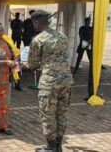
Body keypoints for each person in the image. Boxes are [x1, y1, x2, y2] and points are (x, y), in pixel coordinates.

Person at [27, 10, 73, 152]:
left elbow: (33, 64)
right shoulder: (63, 36)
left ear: (36, 22)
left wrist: (26, 65)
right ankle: (58, 146)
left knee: (47, 115)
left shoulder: (38, 40)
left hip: (49, 83)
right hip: (66, 81)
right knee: (62, 113)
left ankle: (51, 147)